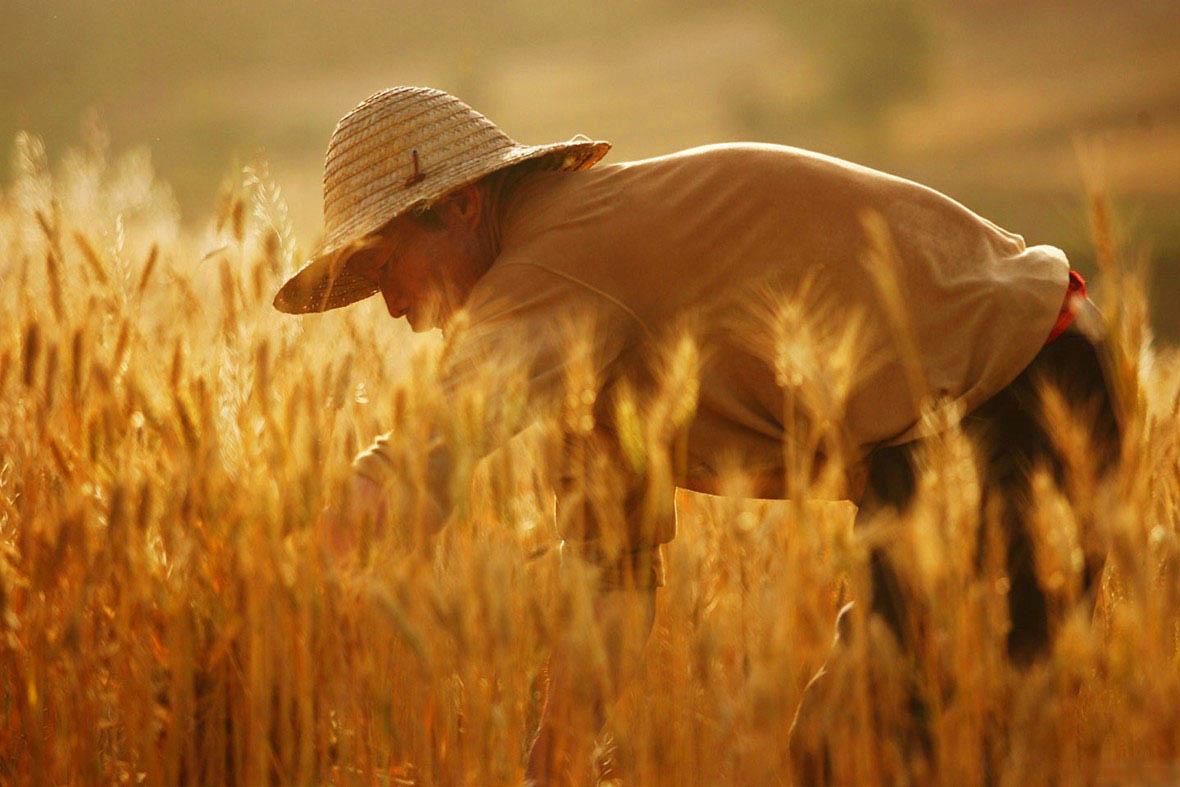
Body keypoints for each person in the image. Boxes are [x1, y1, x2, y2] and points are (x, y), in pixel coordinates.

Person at [273, 86, 1122, 780]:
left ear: (459, 205)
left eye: (385, 266)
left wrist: (334, 553)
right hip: (993, 402)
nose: (387, 304)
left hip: (1015, 392)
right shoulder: (572, 326)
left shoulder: (555, 260)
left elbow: (439, 442)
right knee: (880, 747)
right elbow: (612, 570)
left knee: (869, 751)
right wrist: (554, 763)